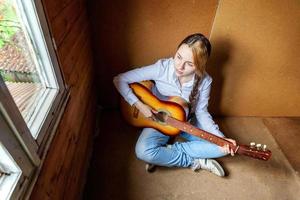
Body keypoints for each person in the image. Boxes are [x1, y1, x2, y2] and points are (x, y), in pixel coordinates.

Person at [113, 33, 236, 177]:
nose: (180, 66)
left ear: (200, 65)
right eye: (178, 57)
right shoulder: (162, 68)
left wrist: (221, 138)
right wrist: (140, 105)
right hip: (159, 120)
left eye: (189, 64)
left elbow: (202, 112)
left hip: (187, 121)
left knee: (221, 149)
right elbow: (119, 79)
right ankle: (194, 161)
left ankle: (166, 153)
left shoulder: (205, 80)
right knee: (143, 151)